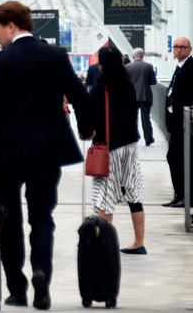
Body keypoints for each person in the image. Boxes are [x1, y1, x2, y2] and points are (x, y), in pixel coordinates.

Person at [0, 0, 90, 311]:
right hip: (47, 151)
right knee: (42, 218)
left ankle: (17, 289)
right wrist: (87, 128)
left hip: (8, 153)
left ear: (11, 25)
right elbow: (79, 94)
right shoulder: (55, 55)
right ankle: (41, 274)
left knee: (8, 220)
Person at [85, 46, 147, 255]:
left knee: (105, 194)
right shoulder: (127, 82)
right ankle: (139, 242)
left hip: (109, 147)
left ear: (101, 63)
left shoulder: (102, 85)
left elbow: (92, 116)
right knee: (133, 192)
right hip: (130, 144)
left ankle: (103, 247)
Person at [164, 36, 193, 207]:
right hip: (177, 123)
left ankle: (187, 197)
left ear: (189, 49)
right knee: (174, 157)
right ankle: (179, 194)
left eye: (182, 47)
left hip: (186, 124)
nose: (178, 49)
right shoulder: (180, 67)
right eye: (176, 46)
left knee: (183, 160)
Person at [126, 48, 157, 146]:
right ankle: (148, 139)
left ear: (133, 56)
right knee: (146, 118)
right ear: (142, 56)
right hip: (145, 96)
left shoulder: (127, 67)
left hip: (131, 97)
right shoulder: (149, 66)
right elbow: (153, 82)